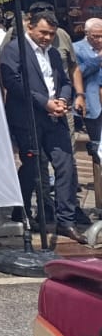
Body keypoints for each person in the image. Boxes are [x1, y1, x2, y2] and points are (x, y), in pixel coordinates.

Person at [0, 10, 88, 240]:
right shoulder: (15, 49)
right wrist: (44, 102)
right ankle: (23, 209)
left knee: (65, 164)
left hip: (54, 115)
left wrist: (63, 99)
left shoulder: (54, 53)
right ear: (30, 27)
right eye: (43, 33)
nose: (47, 38)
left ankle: (65, 219)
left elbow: (65, 80)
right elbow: (13, 82)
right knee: (32, 165)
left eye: (51, 34)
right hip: (28, 116)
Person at [75, 18, 102, 213]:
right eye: (96, 36)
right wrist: (98, 59)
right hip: (94, 105)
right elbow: (78, 73)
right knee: (97, 150)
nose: (100, 40)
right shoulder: (78, 49)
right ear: (87, 34)